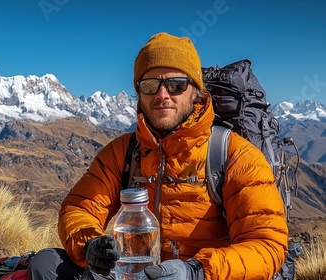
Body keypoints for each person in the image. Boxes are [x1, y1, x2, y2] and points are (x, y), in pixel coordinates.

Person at [28, 32, 288, 280]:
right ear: (139, 93)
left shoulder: (234, 154)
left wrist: (195, 271)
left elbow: (267, 245)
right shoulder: (124, 152)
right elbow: (80, 207)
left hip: (205, 276)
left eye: (176, 85)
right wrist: (90, 246)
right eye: (150, 85)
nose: (162, 95)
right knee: (48, 265)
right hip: (134, 273)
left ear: (196, 92)